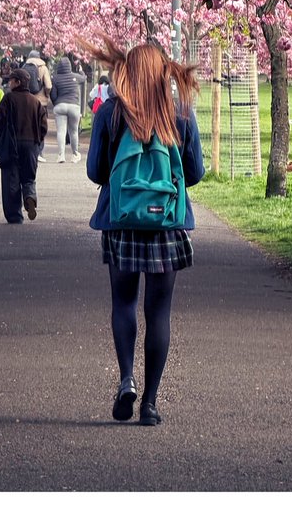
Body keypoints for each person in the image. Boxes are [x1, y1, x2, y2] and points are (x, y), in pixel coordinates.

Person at [86, 39, 204, 427]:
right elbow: (196, 172)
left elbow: (95, 172)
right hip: (166, 225)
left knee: (123, 304)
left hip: (121, 223)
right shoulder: (180, 113)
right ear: (163, 72)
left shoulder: (111, 114)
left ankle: (125, 379)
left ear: (128, 71)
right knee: (159, 312)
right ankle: (150, 404)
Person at [0, 67, 48, 223]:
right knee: (29, 177)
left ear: (18, 82)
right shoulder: (35, 102)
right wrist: (38, 140)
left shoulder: (9, 99)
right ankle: (30, 197)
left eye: (11, 80)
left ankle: (14, 215)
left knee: (12, 178)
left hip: (12, 144)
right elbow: (43, 126)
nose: (9, 83)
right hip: (31, 144)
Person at [50, 56, 86, 163]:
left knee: (61, 131)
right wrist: (81, 71)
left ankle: (61, 155)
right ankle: (75, 154)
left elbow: (53, 95)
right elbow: (84, 78)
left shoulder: (55, 78)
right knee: (73, 131)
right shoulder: (75, 77)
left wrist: (56, 103)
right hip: (74, 106)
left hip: (60, 106)